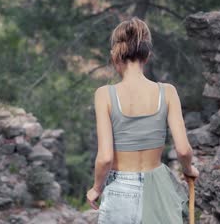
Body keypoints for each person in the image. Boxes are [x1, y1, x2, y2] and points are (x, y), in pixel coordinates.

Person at [86, 17, 200, 224]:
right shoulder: (167, 92)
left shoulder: (104, 95)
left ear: (115, 57)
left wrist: (96, 188)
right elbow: (183, 150)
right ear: (147, 56)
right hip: (157, 189)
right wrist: (188, 169)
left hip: (120, 190)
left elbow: (105, 157)